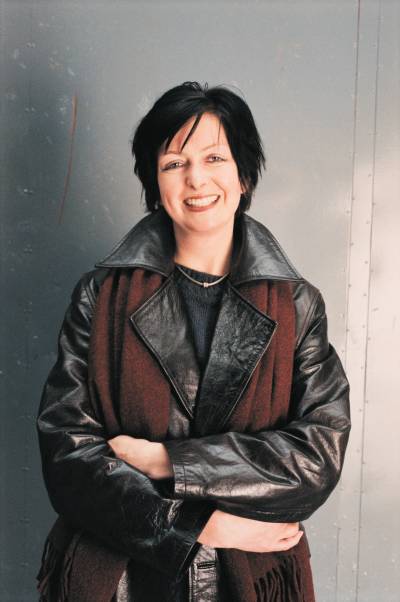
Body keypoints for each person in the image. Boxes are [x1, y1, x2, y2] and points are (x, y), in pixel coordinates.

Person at [36, 81, 351, 602]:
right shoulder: (100, 295)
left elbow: (315, 457)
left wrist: (168, 460)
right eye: (174, 163)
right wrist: (197, 527)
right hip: (119, 582)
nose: (196, 179)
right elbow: (67, 457)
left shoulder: (297, 305)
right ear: (154, 182)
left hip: (250, 580)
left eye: (214, 158)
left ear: (244, 174)